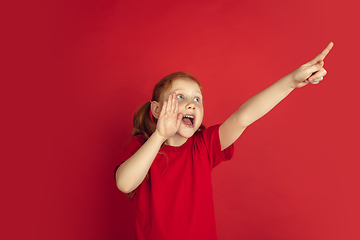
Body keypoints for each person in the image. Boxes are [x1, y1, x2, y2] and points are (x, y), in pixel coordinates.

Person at [114, 42, 334, 240]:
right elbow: (125, 183)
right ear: (157, 109)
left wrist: (291, 82)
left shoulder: (204, 145)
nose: (191, 104)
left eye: (197, 99)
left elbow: (243, 117)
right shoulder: (143, 146)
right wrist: (160, 135)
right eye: (180, 96)